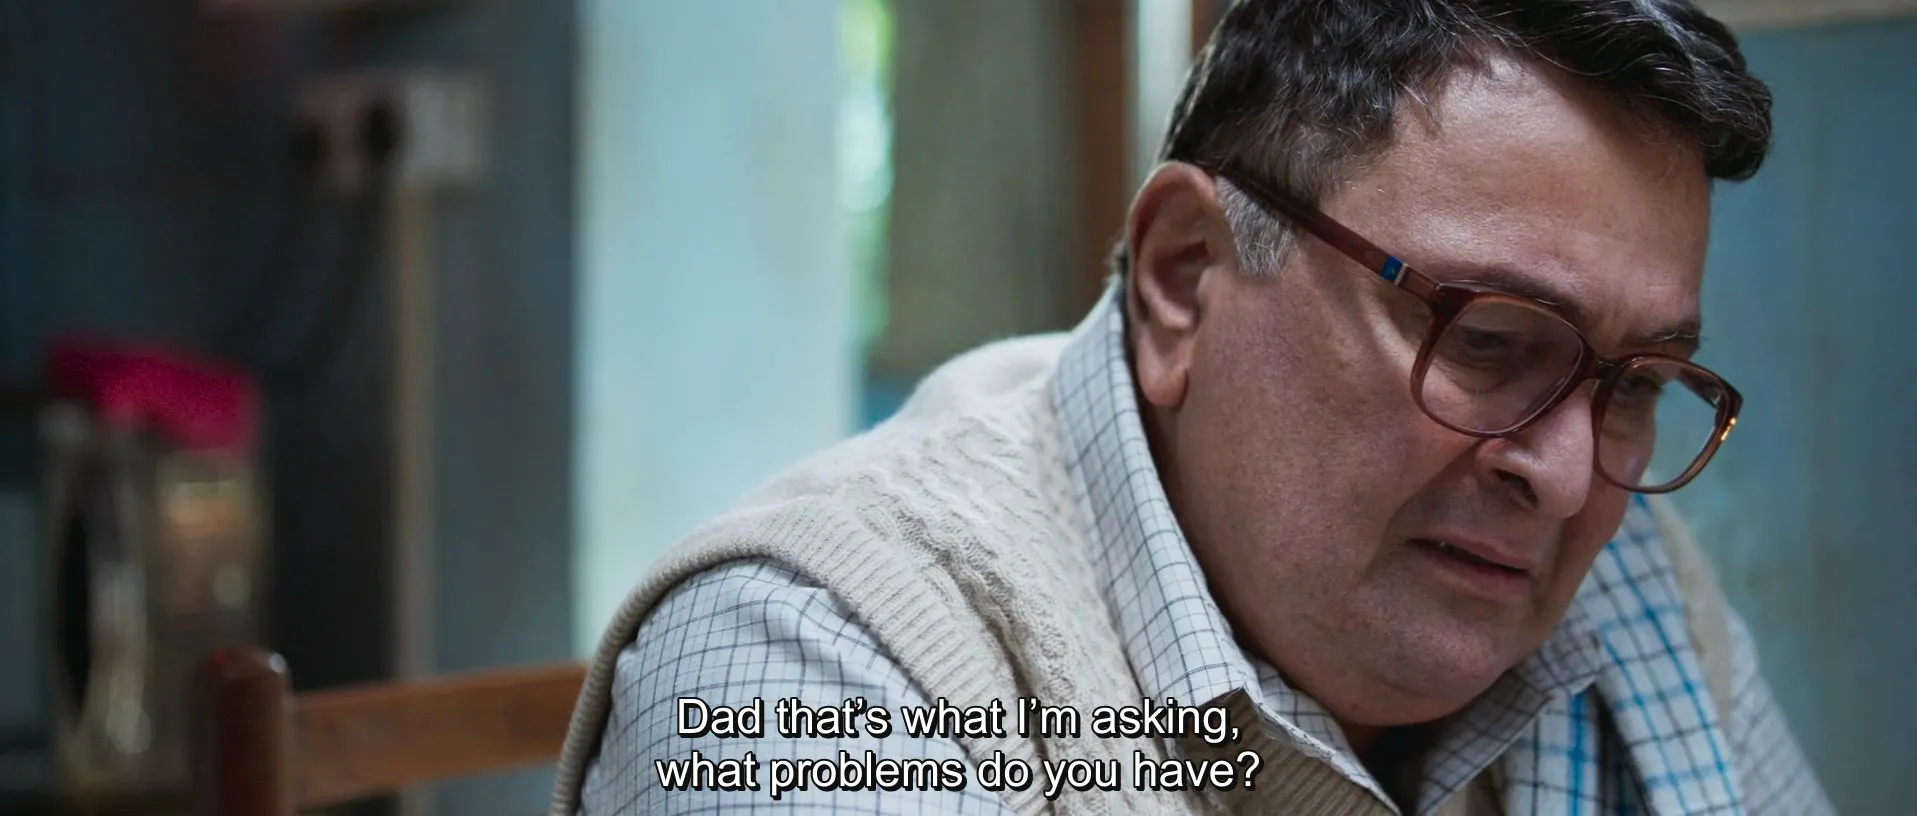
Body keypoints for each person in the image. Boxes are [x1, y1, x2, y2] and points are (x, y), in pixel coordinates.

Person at [551, 1, 1836, 813]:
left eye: (1636, 386)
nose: (1561, 475)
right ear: (1184, 278)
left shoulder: (1630, 587)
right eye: (1491, 341)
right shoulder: (812, 662)